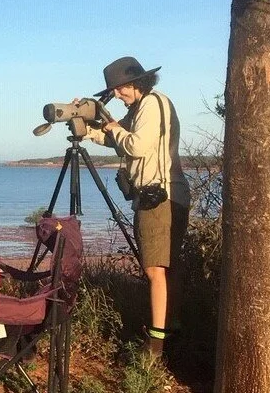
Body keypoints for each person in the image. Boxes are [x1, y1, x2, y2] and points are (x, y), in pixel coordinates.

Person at [84, 56, 190, 356]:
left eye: (120, 89)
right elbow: (118, 139)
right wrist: (91, 132)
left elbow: (136, 146)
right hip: (168, 195)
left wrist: (114, 128)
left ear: (136, 83)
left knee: (155, 269)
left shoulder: (152, 104)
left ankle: (156, 345)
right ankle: (172, 329)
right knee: (167, 268)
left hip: (160, 197)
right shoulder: (144, 106)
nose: (117, 95)